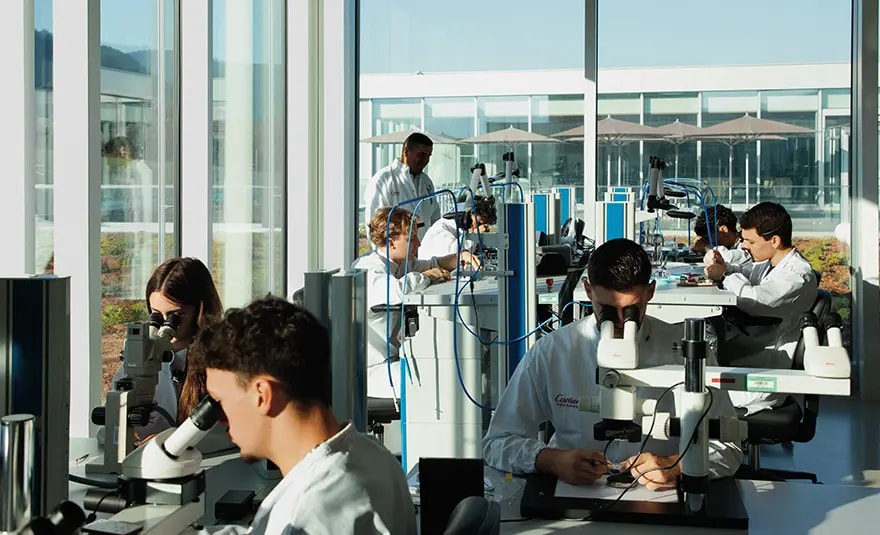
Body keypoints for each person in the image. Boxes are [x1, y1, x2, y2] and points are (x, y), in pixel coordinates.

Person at [482, 239, 742, 490]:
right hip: (576, 495)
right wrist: (550, 460)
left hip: (659, 497)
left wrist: (678, 466)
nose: (619, 322)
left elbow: (729, 448)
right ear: (587, 291)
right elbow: (497, 442)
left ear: (650, 292)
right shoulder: (553, 351)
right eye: (606, 309)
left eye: (630, 309)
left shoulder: (686, 351)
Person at [197, 297, 416, 534]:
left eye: (219, 402)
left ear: (262, 395)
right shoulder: (373, 455)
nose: (220, 420)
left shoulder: (309, 513)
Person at [351, 207, 481, 399]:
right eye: (411, 238)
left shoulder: (398, 264)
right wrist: (427, 277)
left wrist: (459, 257)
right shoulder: (368, 270)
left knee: (449, 368)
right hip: (371, 370)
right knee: (438, 380)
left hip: (391, 358)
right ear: (391, 240)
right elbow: (398, 291)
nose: (419, 243)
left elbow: (430, 264)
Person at [705, 202, 818, 414]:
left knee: (689, 389)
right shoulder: (771, 265)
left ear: (774, 240)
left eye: (750, 241)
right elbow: (746, 273)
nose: (744, 246)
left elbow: (755, 299)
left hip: (761, 381)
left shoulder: (797, 277)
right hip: (748, 360)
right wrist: (724, 265)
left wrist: (725, 275)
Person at [111, 257, 223, 442]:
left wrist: (169, 441)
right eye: (155, 314)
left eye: (176, 315)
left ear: (200, 309)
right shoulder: (141, 360)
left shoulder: (223, 363)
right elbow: (112, 428)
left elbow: (229, 435)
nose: (164, 323)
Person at [364, 132, 441, 241]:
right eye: (421, 155)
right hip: (395, 255)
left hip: (425, 253)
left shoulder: (426, 182)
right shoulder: (383, 179)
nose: (425, 160)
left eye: (428, 156)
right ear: (406, 152)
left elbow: (435, 220)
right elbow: (374, 228)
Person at [417, 196, 497, 260]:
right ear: (467, 215)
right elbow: (453, 254)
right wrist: (475, 235)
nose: (480, 227)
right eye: (479, 223)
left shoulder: (458, 230)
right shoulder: (441, 228)